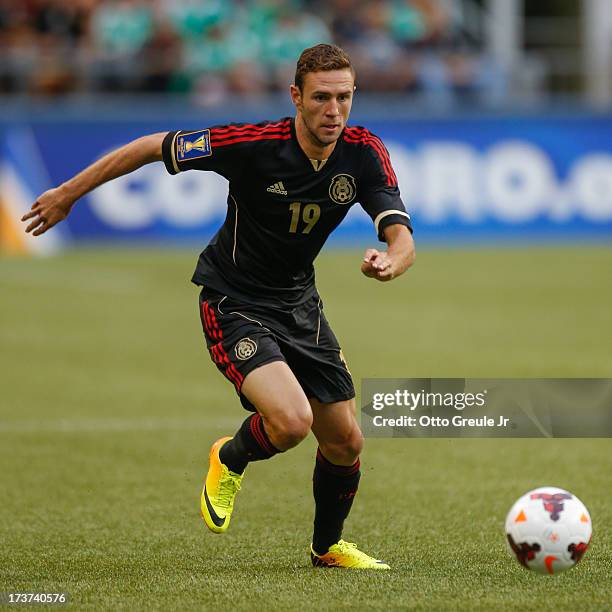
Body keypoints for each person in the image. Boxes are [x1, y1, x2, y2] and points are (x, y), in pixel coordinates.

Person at [22, 43, 415, 570]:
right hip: (234, 301)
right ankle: (229, 457)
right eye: (322, 98)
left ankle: (326, 549)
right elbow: (149, 146)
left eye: (344, 98)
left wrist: (392, 260)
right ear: (296, 96)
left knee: (345, 441)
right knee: (292, 422)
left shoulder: (364, 152)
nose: (334, 111)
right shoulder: (251, 144)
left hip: (300, 305)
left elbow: (402, 236)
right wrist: (68, 193)